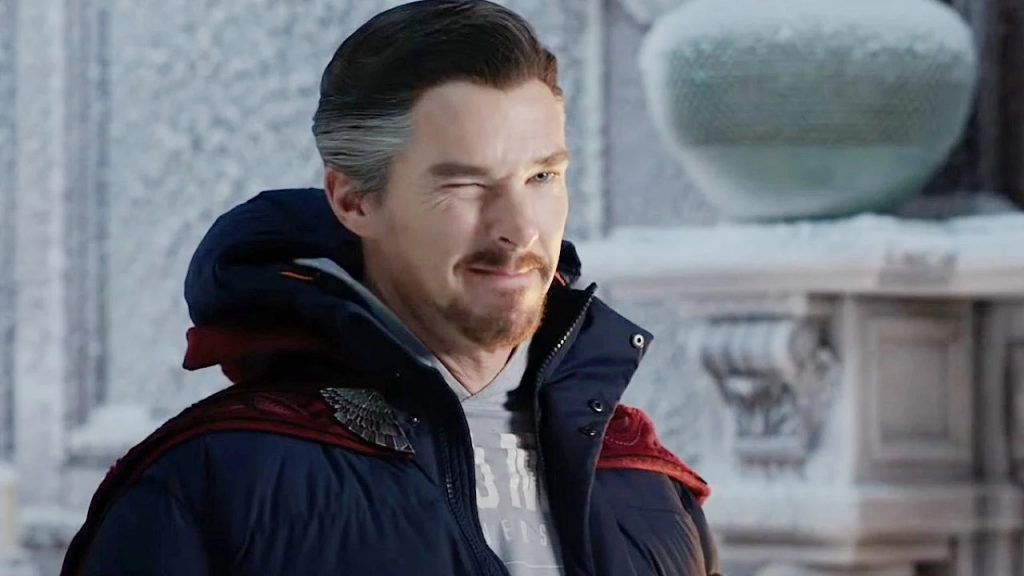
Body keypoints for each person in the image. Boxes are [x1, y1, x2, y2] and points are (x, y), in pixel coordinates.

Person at [61, 1, 718, 574]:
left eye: (542, 178)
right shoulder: (208, 480)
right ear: (354, 201)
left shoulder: (646, 482)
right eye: (465, 184)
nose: (520, 229)